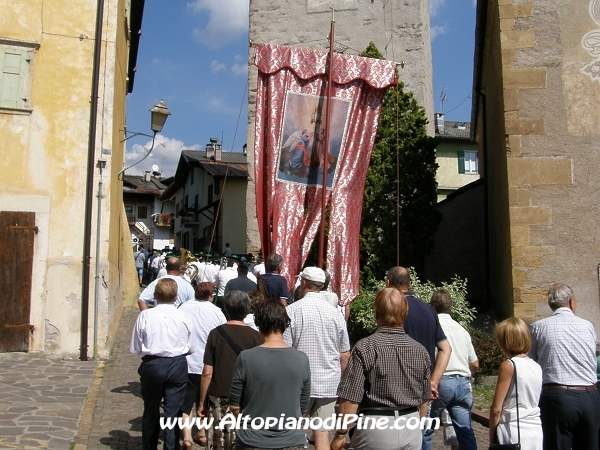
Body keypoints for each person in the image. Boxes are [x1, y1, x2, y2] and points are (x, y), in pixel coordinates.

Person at [332, 288, 431, 450]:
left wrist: (341, 434)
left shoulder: (365, 347)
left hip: (376, 425)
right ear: (405, 314)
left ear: (377, 313)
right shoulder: (420, 350)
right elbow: (424, 399)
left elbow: (351, 398)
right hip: (411, 423)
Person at [284, 267, 350, 450]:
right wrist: (345, 382)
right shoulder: (336, 313)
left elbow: (285, 350)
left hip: (298, 382)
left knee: (293, 431)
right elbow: (344, 353)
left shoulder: (292, 310)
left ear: (304, 283)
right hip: (328, 382)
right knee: (321, 434)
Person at [229, 299, 311, 449]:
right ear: (284, 325)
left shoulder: (246, 357)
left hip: (252, 439)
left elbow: (235, 405)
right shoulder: (302, 359)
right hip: (291, 440)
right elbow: (303, 407)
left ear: (259, 325)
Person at [385, 267, 451, 450]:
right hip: (422, 387)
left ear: (389, 283)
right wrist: (434, 381)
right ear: (409, 283)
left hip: (396, 386)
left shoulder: (393, 309)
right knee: (417, 438)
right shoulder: (429, 311)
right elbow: (446, 348)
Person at [529, 283, 600, 449]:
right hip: (588, 394)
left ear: (550, 304)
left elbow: (532, 362)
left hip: (557, 396)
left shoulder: (538, 327)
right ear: (571, 301)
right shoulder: (587, 326)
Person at [130, 278, 194, 450]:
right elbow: (191, 346)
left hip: (153, 364)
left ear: (155, 296)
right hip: (177, 364)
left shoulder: (145, 316)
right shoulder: (183, 316)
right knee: (173, 413)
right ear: (176, 297)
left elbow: (136, 347)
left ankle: (149, 446)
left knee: (150, 410)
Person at [198, 291, 262, 450]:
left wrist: (201, 403)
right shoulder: (255, 337)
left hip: (218, 394)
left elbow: (207, 372)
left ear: (225, 308)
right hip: (245, 397)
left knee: (218, 438)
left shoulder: (215, 334)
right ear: (247, 310)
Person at [178, 282, 226, 449]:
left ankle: (186, 437)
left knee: (186, 402)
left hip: (186, 362)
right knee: (203, 400)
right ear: (210, 296)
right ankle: (202, 433)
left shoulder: (183, 308)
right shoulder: (216, 312)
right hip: (206, 363)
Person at [429, 290, 479, 450]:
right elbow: (475, 363)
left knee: (426, 428)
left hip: (441, 381)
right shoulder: (462, 330)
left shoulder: (433, 327)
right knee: (465, 431)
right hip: (463, 383)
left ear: (433, 306)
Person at [490, 317, 542, 449]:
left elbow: (496, 409)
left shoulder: (508, 366)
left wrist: (492, 438)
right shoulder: (536, 366)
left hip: (513, 429)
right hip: (535, 430)